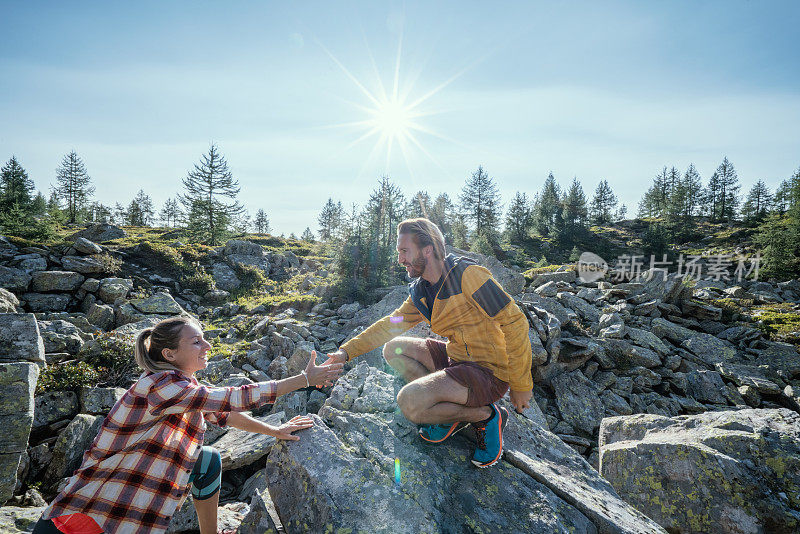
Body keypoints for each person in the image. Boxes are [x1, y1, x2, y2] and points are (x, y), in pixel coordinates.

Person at [33, 315, 343, 534]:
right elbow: (231, 399)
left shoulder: (183, 387)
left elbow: (224, 414)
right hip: (88, 517)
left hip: (123, 511)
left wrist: (273, 431)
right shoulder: (160, 386)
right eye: (196, 341)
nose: (207, 345)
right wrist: (304, 379)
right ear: (170, 353)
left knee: (207, 460)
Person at [324, 218, 533, 468]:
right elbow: (390, 325)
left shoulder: (469, 276)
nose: (400, 259)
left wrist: (521, 383)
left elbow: (515, 322)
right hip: (457, 361)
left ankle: (486, 416)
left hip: (489, 372)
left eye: (404, 251)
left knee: (409, 403)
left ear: (427, 250)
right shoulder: (422, 293)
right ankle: (447, 411)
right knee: (393, 349)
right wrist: (344, 353)